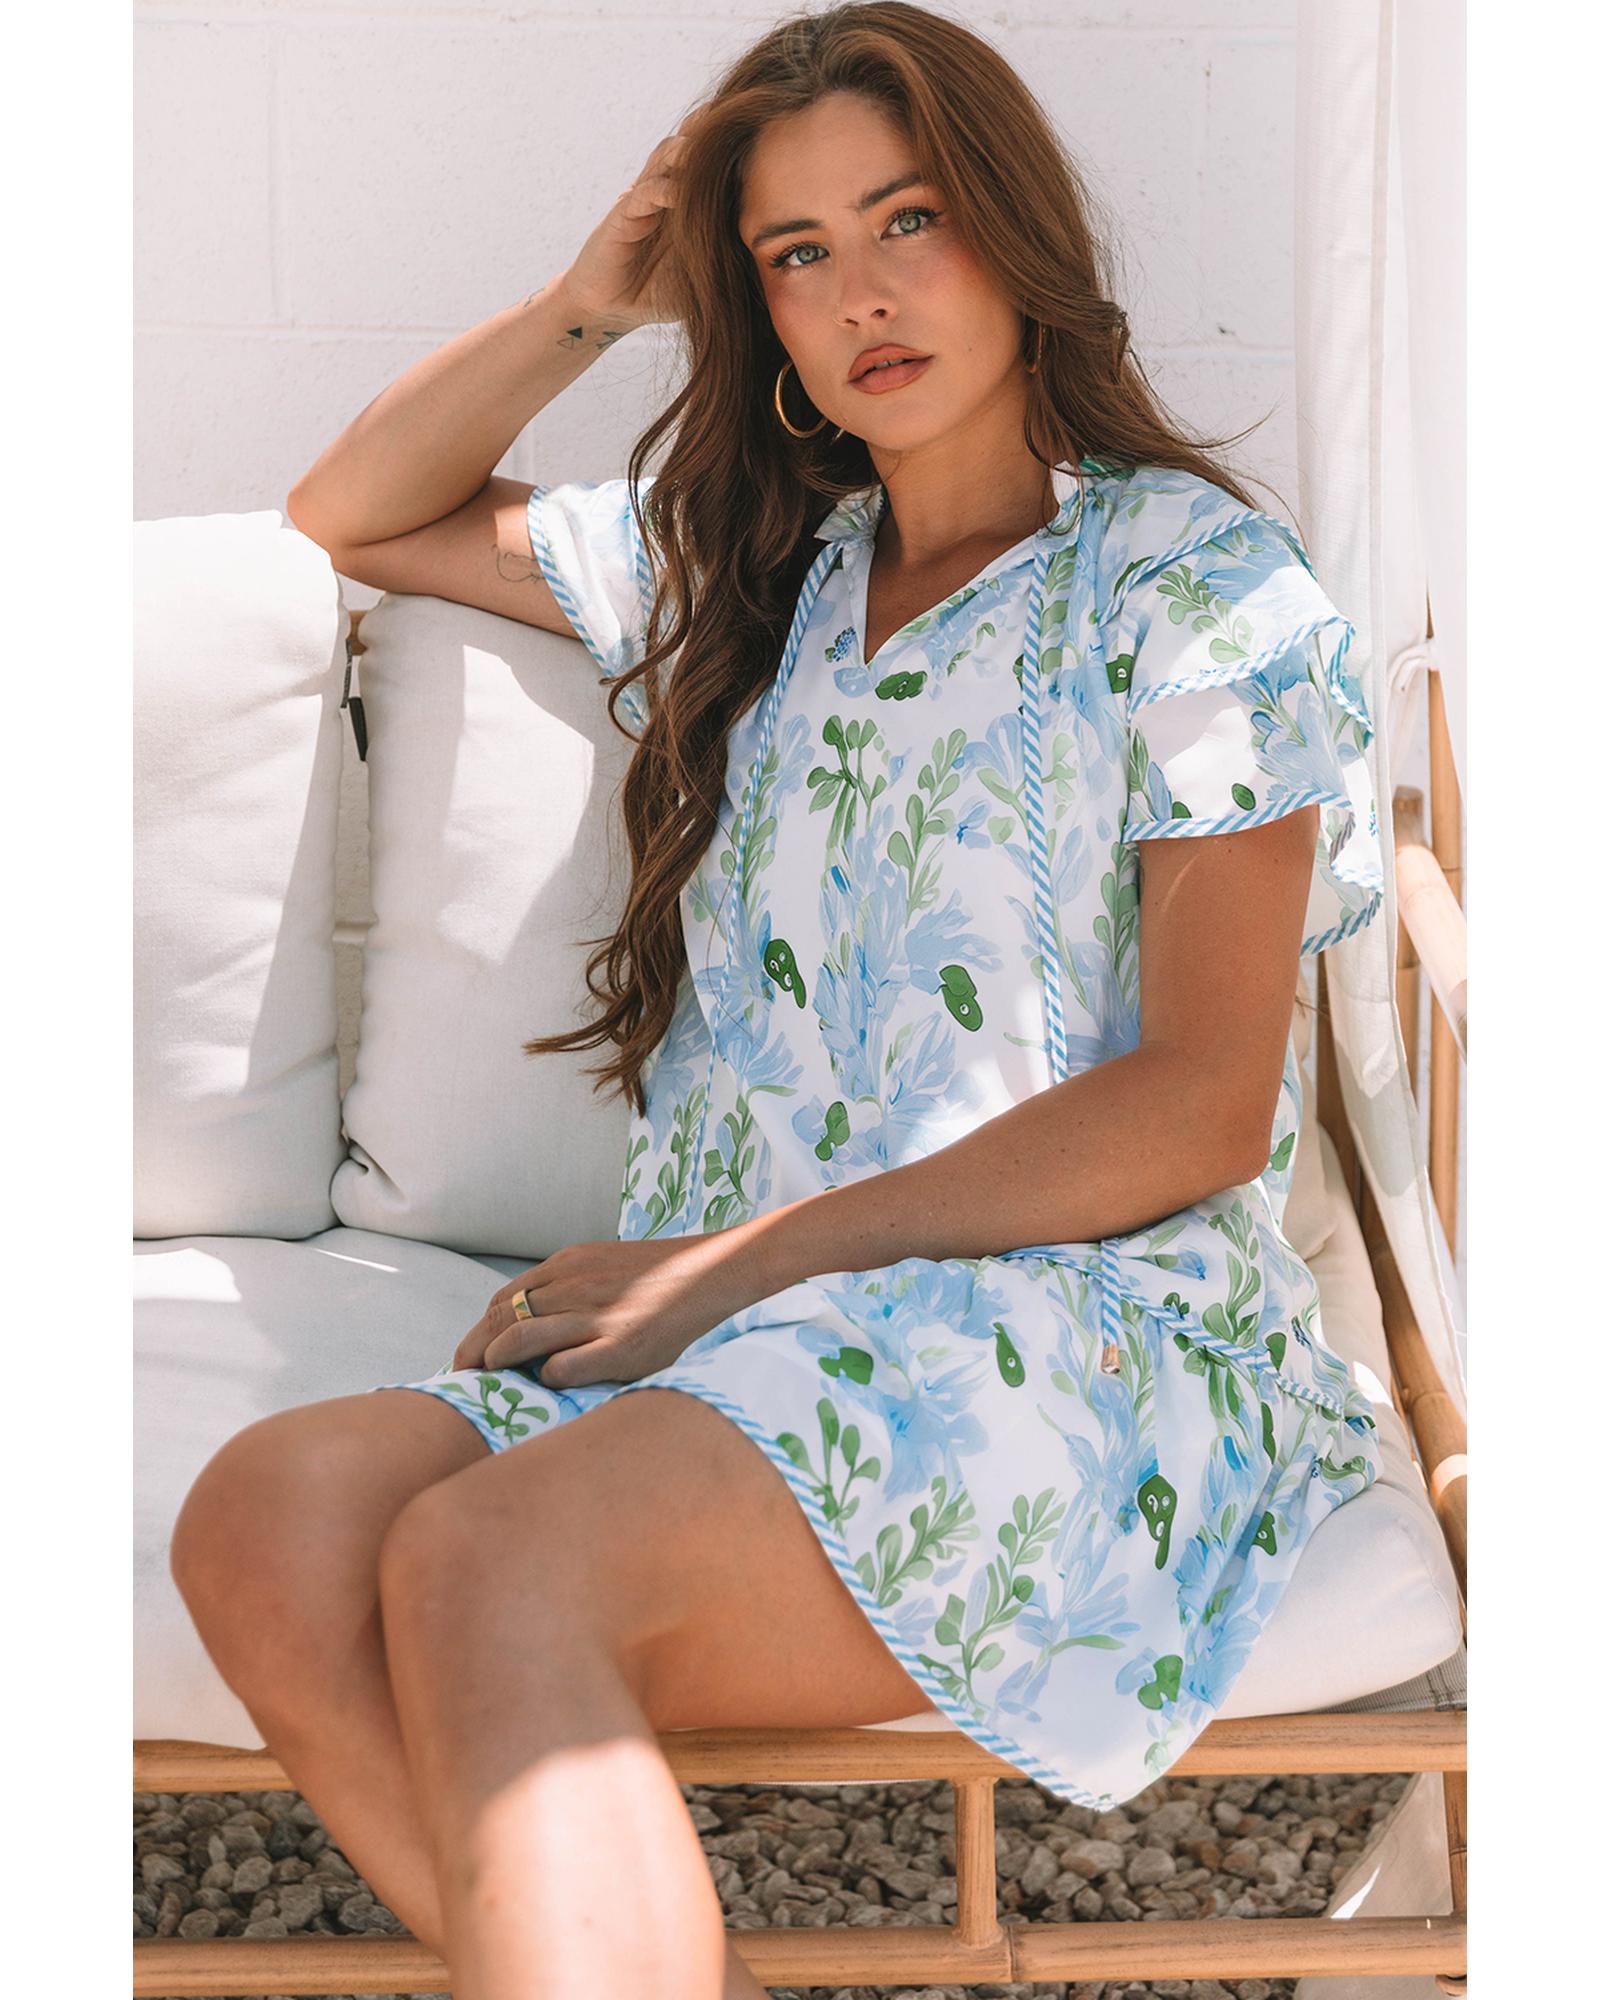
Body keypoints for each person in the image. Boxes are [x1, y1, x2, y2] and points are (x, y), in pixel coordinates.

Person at [169, 6, 1384, 1996]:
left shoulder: (1193, 588)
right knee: (266, 1522)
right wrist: (591, 299)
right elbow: (352, 514)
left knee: (489, 1553)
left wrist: (723, 1267)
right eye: (794, 253)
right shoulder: (753, 581)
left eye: (907, 219)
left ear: (1012, 230)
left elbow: (1196, 1104)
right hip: (741, 1335)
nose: (861, 295)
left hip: (1067, 1329)